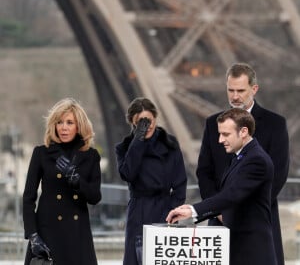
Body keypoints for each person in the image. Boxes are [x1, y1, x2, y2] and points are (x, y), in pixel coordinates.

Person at [196, 63, 289, 264]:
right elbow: (204, 171)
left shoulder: (275, 124)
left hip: (257, 220)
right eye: (231, 90)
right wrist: (218, 210)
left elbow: (279, 174)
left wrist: (239, 211)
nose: (235, 96)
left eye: (240, 90)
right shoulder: (213, 124)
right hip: (219, 219)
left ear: (254, 89)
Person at [167, 108, 277, 265]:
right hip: (241, 248)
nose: (220, 140)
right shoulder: (241, 157)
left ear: (244, 131)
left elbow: (231, 196)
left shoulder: (256, 160)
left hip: (252, 252)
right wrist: (196, 213)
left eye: (226, 134)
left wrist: (193, 210)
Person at [22, 98, 102, 265]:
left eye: (69, 122)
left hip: (77, 235)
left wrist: (76, 180)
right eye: (59, 122)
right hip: (47, 234)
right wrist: (33, 235)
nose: (63, 127)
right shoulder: (41, 153)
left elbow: (95, 196)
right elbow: (28, 198)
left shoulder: (91, 156)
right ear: (54, 125)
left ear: (79, 126)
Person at [115, 97, 187, 265]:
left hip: (165, 209)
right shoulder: (124, 147)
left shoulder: (170, 144)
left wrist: (171, 213)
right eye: (140, 122)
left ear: (155, 118)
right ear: (132, 122)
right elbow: (127, 174)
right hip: (138, 210)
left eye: (149, 120)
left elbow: (180, 183)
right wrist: (138, 140)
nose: (146, 125)